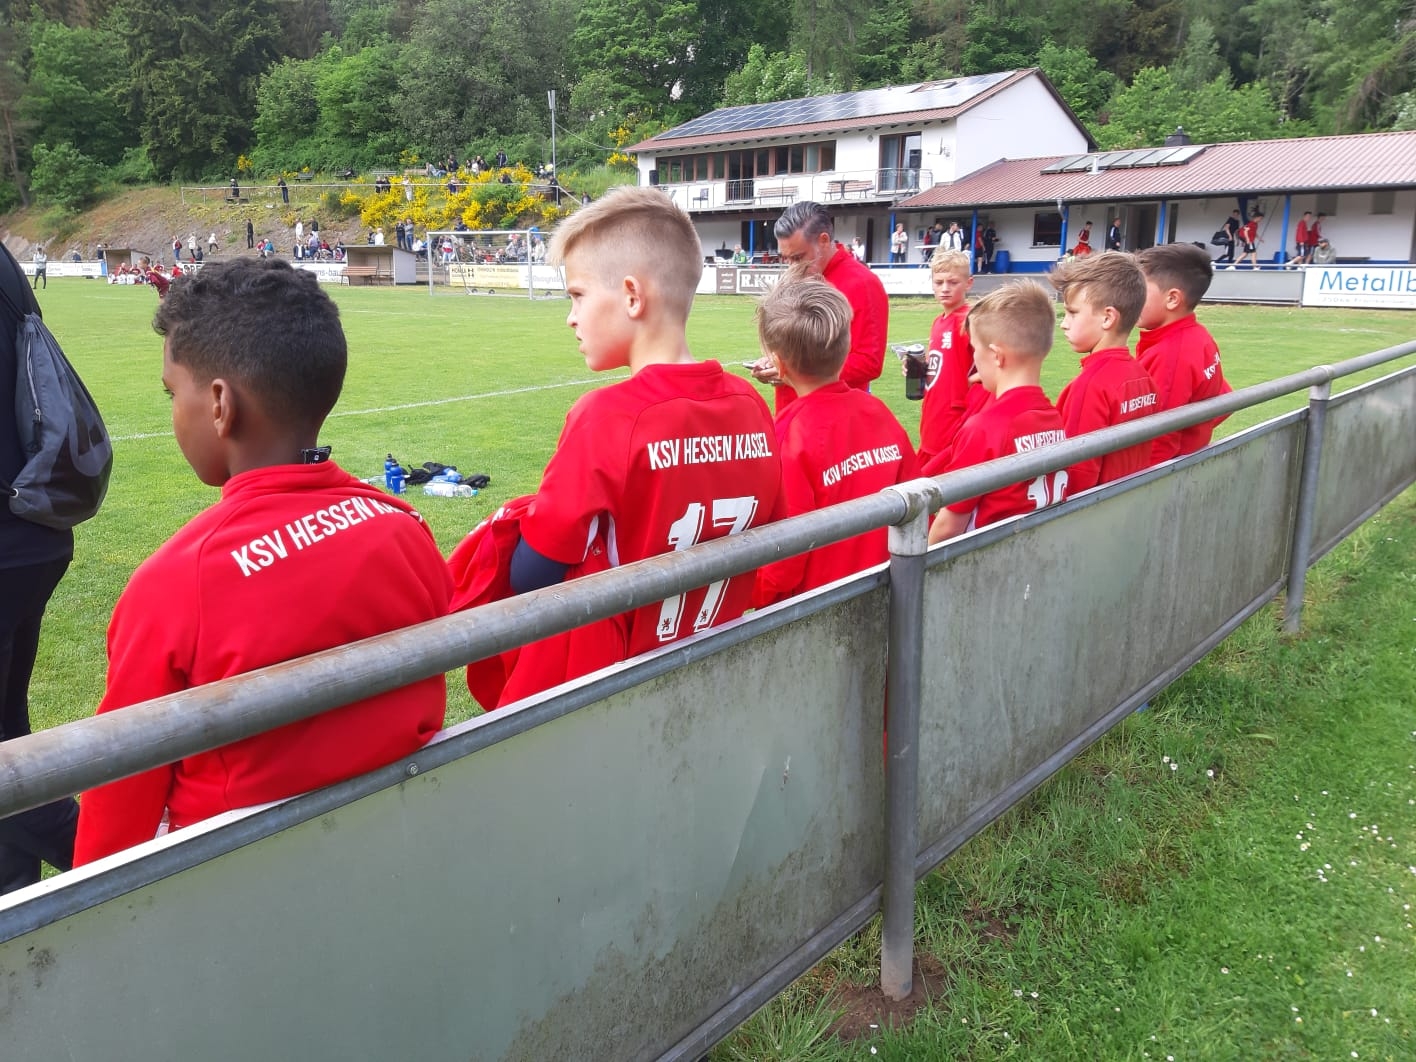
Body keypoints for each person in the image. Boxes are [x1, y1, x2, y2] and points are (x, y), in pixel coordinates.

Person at [71, 258, 451, 865]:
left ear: (220, 404)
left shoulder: (179, 581)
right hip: (399, 851)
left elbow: (119, 798)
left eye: (172, 393)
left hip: (235, 879)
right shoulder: (404, 528)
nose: (173, 411)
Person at [454, 187, 782, 706]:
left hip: (626, 689)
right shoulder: (751, 405)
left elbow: (533, 573)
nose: (571, 316)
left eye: (578, 295)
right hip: (716, 671)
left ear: (632, 295)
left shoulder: (607, 417)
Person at [752, 271, 915, 606]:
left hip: (818, 612)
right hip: (885, 597)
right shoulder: (879, 413)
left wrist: (743, 593)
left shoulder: (787, 437)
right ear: (847, 346)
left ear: (778, 365)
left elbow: (784, 562)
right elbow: (917, 506)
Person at [0, 243, 81, 893]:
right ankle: (17, 906)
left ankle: (121, 856)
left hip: (11, 532)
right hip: (29, 528)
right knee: (8, 737)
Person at [926, 281, 1068, 545]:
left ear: (996, 356)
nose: (974, 360)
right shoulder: (1053, 416)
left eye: (975, 350)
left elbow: (948, 526)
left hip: (991, 558)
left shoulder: (984, 428)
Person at [753, 201, 888, 413]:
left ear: (823, 240)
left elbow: (869, 362)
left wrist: (794, 373)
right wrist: (775, 362)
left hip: (834, 418)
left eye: (798, 257)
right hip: (791, 415)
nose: (791, 267)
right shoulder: (797, 278)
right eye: (785, 259)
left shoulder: (862, 284)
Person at [1049, 252, 1159, 493]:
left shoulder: (1089, 386)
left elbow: (1076, 473)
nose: (1064, 323)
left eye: (1072, 312)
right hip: (1130, 501)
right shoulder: (1142, 375)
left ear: (1108, 318)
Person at [1134, 243, 1233, 463]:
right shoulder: (1199, 336)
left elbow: (1160, 438)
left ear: (1172, 299)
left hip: (1167, 473)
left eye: (1140, 289)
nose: (1131, 297)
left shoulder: (1170, 355)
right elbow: (1223, 396)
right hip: (1189, 463)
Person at [915, 249, 976, 471]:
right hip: (933, 413)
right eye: (939, 282)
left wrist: (968, 383)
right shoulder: (938, 321)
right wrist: (922, 368)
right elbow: (944, 364)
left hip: (955, 417)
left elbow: (997, 362)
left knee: (941, 480)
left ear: (968, 283)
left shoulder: (971, 320)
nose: (945, 288)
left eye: (953, 282)